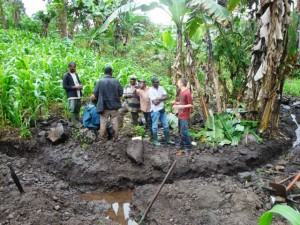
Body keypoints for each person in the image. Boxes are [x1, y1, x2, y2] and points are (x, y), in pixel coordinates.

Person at [94, 67, 123, 142]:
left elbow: (95, 93)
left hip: (103, 106)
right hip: (114, 106)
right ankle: (116, 138)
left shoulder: (100, 81)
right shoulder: (116, 81)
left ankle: (103, 139)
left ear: (104, 73)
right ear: (111, 72)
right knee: (115, 122)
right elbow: (120, 93)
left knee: (103, 122)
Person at [149, 76, 175, 146]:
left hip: (162, 110)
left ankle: (168, 139)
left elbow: (167, 96)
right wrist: (162, 98)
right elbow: (155, 102)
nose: (158, 83)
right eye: (156, 82)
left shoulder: (161, 88)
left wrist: (159, 99)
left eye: (158, 82)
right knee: (155, 126)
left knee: (166, 126)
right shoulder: (150, 90)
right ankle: (155, 140)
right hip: (155, 111)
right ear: (152, 83)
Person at [170, 78, 193, 151]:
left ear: (182, 84)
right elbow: (182, 102)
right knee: (180, 131)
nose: (177, 84)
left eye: (178, 82)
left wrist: (180, 106)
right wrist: (176, 103)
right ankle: (182, 144)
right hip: (180, 114)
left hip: (185, 115)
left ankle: (188, 146)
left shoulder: (187, 93)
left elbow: (191, 105)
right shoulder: (181, 92)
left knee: (184, 132)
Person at [62, 62, 83, 126]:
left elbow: (78, 82)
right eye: (74, 67)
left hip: (78, 94)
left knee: (78, 108)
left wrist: (80, 86)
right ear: (69, 67)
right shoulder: (66, 75)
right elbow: (65, 86)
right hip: (72, 95)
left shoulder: (76, 74)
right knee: (72, 109)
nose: (75, 68)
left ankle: (77, 121)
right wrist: (75, 87)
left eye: (75, 66)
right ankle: (74, 123)